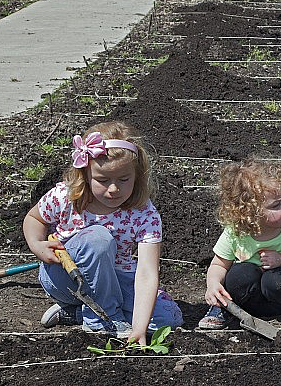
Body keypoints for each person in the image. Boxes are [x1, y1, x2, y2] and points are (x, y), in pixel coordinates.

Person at [22, 121, 183, 343]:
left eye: (124, 179)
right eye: (103, 180)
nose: (114, 188)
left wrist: (139, 328)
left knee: (167, 318)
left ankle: (77, 313)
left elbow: (147, 272)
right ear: (85, 175)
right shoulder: (66, 197)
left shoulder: (144, 213)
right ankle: (103, 320)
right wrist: (37, 244)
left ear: (137, 175)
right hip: (65, 276)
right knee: (98, 239)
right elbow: (34, 218)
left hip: (116, 278)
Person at [199, 158, 281, 330]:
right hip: (249, 301)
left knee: (275, 279)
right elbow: (218, 265)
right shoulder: (236, 232)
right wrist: (213, 284)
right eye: (276, 204)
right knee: (239, 275)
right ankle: (223, 307)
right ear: (250, 211)